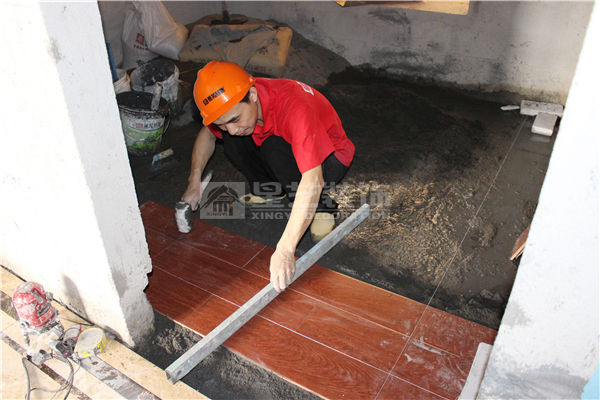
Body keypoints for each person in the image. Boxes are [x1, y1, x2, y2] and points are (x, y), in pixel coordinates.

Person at [181, 61, 355, 292]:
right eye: (222, 124)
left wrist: (285, 250)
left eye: (234, 119)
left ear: (252, 95)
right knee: (234, 140)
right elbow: (208, 135)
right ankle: (271, 190)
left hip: (329, 158)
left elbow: (313, 179)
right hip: (285, 149)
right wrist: (194, 181)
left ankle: (322, 207)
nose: (230, 128)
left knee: (273, 146)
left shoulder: (294, 107)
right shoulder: (238, 105)